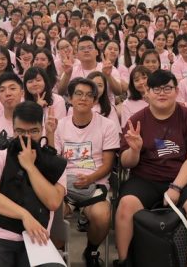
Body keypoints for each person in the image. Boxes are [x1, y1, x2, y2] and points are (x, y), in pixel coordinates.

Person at [114, 70, 187, 267]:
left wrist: (176, 187)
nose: (162, 93)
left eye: (167, 88)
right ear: (146, 93)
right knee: (125, 207)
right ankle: (124, 262)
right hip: (145, 178)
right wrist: (135, 150)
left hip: (183, 179)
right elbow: (126, 163)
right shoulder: (136, 120)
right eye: (156, 89)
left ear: (176, 91)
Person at [0, 101, 67, 267]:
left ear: (41, 129)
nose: (26, 137)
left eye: (33, 131)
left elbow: (53, 202)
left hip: (36, 239)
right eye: (20, 131)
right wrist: (24, 215)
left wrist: (30, 166)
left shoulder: (54, 164)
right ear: (12, 129)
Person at [55, 78, 120, 267]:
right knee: (53, 210)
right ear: (70, 98)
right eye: (78, 94)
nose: (83, 98)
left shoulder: (107, 125)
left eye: (89, 95)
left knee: (102, 216)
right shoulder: (59, 125)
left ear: (95, 100)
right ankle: (58, 251)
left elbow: (108, 165)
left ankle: (91, 251)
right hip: (65, 183)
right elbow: (52, 162)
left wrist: (90, 178)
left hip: (94, 182)